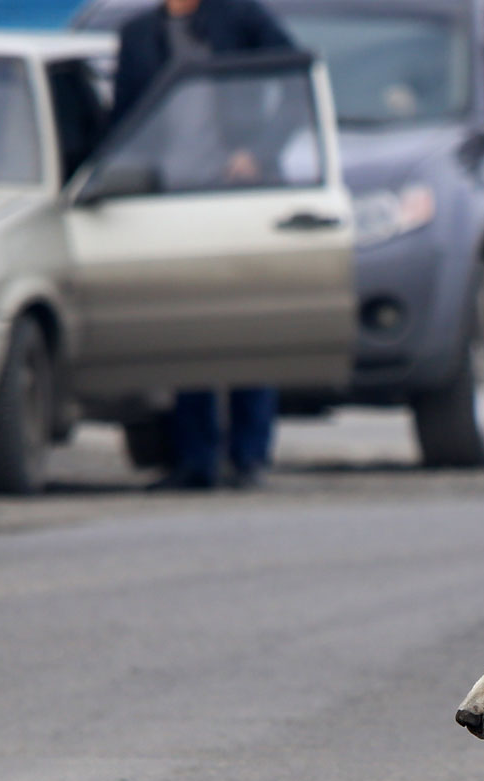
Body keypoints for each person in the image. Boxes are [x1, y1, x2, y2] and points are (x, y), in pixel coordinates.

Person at [112, 0, 296, 490]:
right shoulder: (138, 35)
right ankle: (195, 459)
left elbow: (296, 80)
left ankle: (250, 455)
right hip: (168, 201)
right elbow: (122, 121)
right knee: (185, 330)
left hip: (235, 196)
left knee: (247, 324)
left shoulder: (241, 18)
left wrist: (259, 153)